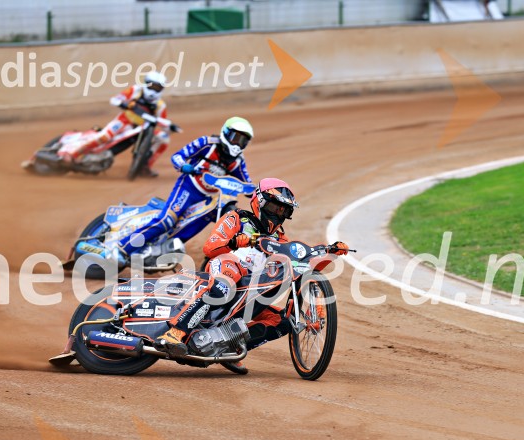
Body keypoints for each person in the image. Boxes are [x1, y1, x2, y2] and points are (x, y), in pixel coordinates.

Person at [155, 178, 348, 373]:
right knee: (224, 287)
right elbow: (210, 247)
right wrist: (236, 242)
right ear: (260, 201)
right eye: (275, 207)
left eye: (284, 210)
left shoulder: (280, 239)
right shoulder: (237, 218)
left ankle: (229, 346)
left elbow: (300, 264)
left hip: (251, 285)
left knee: (283, 321)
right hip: (227, 266)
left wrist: (330, 252)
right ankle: (175, 333)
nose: (278, 213)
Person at [109, 116, 254, 266]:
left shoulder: (238, 161)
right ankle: (122, 248)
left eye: (243, 141)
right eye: (236, 137)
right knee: (167, 220)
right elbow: (178, 156)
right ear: (226, 132)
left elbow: (246, 182)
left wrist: (257, 192)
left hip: (208, 198)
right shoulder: (206, 143)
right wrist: (184, 166)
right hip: (188, 188)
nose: (238, 143)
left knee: (227, 219)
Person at [60, 71, 171, 178]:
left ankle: (145, 167)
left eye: (157, 88)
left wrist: (169, 127)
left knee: (164, 138)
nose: (153, 90)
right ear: (145, 83)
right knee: (104, 137)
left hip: (143, 130)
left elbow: (164, 123)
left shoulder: (161, 105)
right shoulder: (135, 90)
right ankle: (72, 154)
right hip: (123, 121)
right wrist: (122, 104)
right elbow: (115, 99)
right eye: (151, 86)